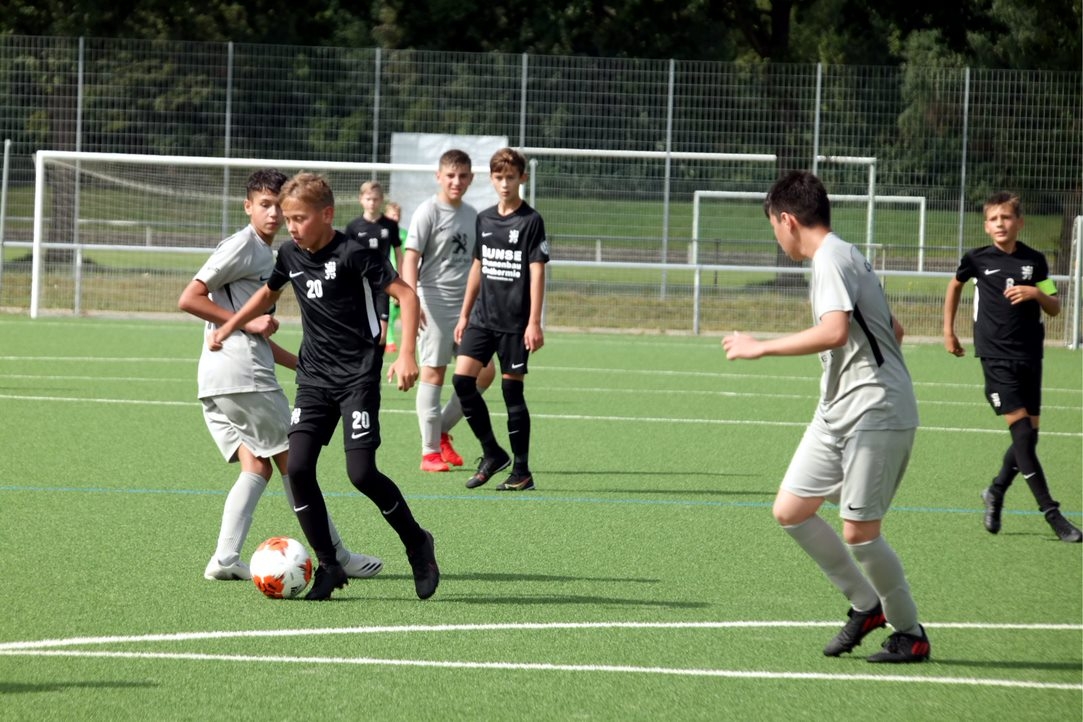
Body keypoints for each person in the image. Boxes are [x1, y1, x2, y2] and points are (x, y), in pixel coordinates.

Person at [723, 170, 930, 663]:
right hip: (837, 412)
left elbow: (836, 331)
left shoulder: (832, 260)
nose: (777, 238)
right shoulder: (844, 255)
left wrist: (760, 347)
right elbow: (894, 329)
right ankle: (865, 605)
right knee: (791, 510)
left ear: (788, 220)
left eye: (774, 227)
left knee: (860, 532)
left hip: (874, 413)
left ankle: (910, 631)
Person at [209, 171, 439, 601]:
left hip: (357, 377)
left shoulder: (355, 253)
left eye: (299, 218)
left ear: (327, 214)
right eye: (287, 218)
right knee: (297, 469)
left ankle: (417, 543)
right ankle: (330, 567)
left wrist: (406, 354)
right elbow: (267, 295)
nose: (291, 226)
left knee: (361, 473)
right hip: (314, 378)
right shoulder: (289, 255)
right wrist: (232, 324)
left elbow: (406, 296)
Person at [178, 168, 384, 582]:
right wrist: (245, 322)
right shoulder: (245, 246)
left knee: (257, 465)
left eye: (280, 207)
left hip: (218, 378)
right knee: (296, 465)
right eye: (265, 205)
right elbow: (190, 297)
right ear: (248, 207)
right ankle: (337, 557)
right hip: (244, 374)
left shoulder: (272, 254)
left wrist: (303, 364)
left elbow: (249, 331)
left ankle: (224, 557)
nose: (274, 215)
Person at [943, 191, 1082, 543]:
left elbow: (1055, 306)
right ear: (986, 226)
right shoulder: (976, 259)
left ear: (1019, 222)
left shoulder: (1035, 262)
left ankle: (996, 490)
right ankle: (1052, 514)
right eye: (993, 219)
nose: (1000, 224)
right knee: (1021, 435)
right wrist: (949, 331)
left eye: (1006, 217)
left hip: (1030, 356)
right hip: (995, 357)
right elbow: (955, 285)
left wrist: (1036, 294)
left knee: (1028, 438)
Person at [452, 148, 549, 491]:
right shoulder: (485, 218)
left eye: (510, 177)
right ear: (491, 179)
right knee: (462, 382)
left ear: (522, 178)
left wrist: (534, 321)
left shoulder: (531, 221)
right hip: (482, 318)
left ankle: (521, 471)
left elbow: (537, 272)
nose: (504, 184)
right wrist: (464, 314)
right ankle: (492, 452)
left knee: (511, 392)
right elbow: (478, 266)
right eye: (498, 177)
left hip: (514, 322)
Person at [401, 149, 495, 473]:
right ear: (439, 177)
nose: (456, 181)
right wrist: (411, 300)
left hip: (467, 307)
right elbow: (410, 258)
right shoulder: (427, 211)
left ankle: (439, 430)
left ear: (471, 179)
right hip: (433, 303)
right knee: (435, 373)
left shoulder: (473, 215)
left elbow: (477, 264)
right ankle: (429, 453)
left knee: (484, 372)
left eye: (463, 176)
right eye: (450, 176)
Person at [343, 181, 402, 353]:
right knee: (360, 330)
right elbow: (345, 256)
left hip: (382, 283)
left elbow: (399, 254)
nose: (372, 203)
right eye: (368, 199)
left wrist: (401, 280)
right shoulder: (353, 227)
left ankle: (375, 365)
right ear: (361, 199)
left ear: (382, 200)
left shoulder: (390, 225)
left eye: (375, 199)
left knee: (382, 334)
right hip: (359, 284)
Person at [382, 200, 407, 354]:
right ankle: (389, 341)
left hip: (402, 276)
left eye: (397, 215)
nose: (395, 218)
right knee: (389, 310)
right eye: (392, 215)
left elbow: (406, 256)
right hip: (386, 277)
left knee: (402, 310)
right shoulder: (381, 233)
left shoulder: (404, 234)